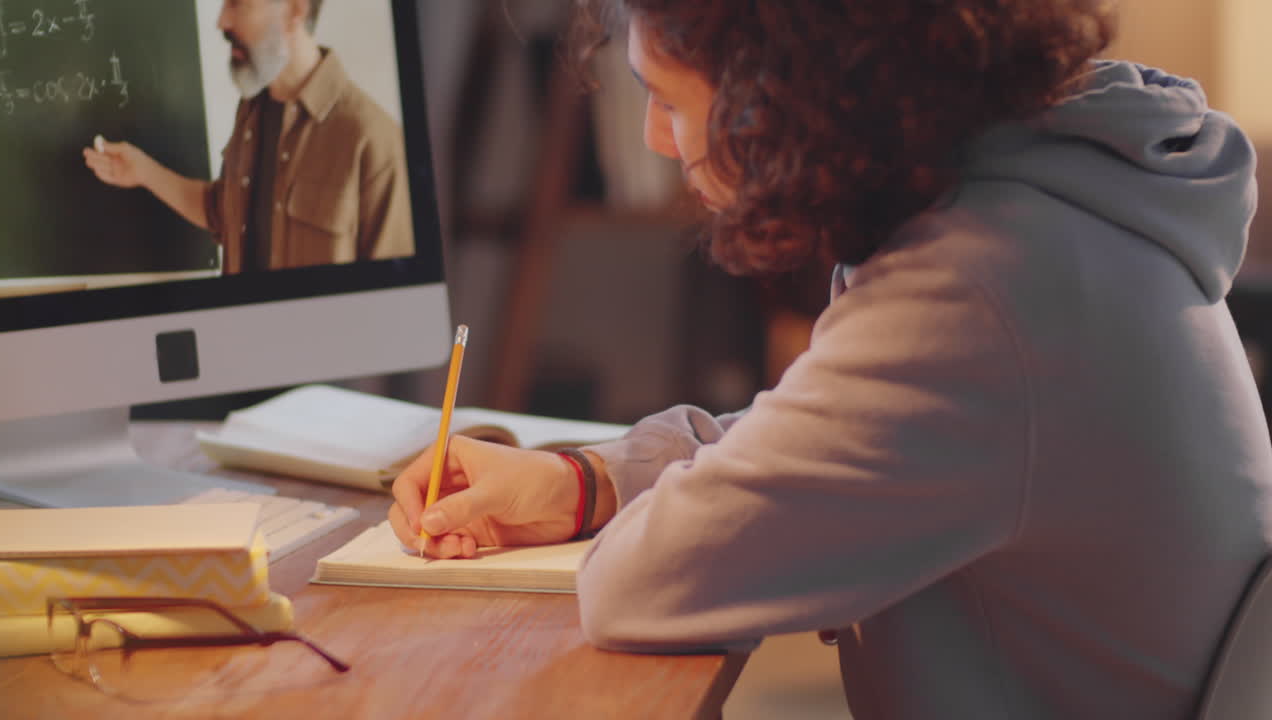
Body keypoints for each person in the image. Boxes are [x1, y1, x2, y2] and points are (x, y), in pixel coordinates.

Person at [390, 1, 1272, 717]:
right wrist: (584, 484)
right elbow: (838, 432)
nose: (658, 139)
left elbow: (641, 584)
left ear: (782, 93)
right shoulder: (1035, 213)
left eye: (667, 96)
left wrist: (626, 502)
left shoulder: (976, 293)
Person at [82, 0, 413, 274]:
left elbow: (393, 312)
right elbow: (222, 214)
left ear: (295, 10)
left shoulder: (373, 142)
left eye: (237, 3)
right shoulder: (252, 111)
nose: (222, 21)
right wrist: (143, 172)